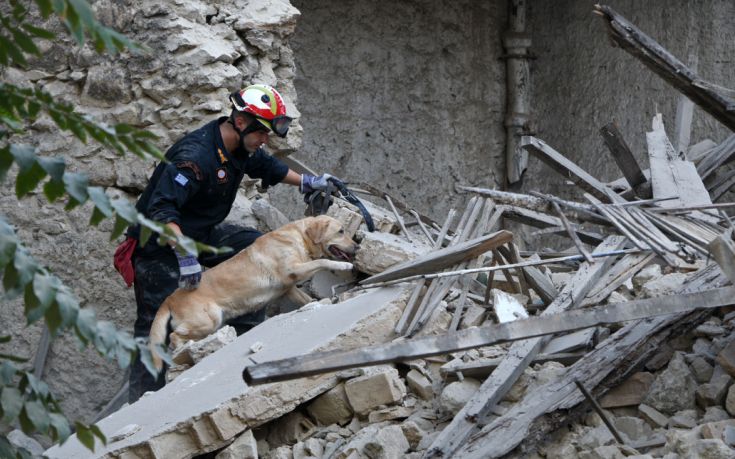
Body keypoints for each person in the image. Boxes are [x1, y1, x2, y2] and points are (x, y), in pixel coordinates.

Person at [125, 84, 335, 403]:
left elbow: (266, 166)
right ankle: (142, 406)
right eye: (262, 132)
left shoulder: (239, 147)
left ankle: (244, 343)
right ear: (240, 122)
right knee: (158, 322)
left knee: (255, 248)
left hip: (200, 234)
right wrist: (183, 254)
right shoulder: (194, 156)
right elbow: (162, 208)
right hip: (158, 245)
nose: (265, 140)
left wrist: (308, 181)